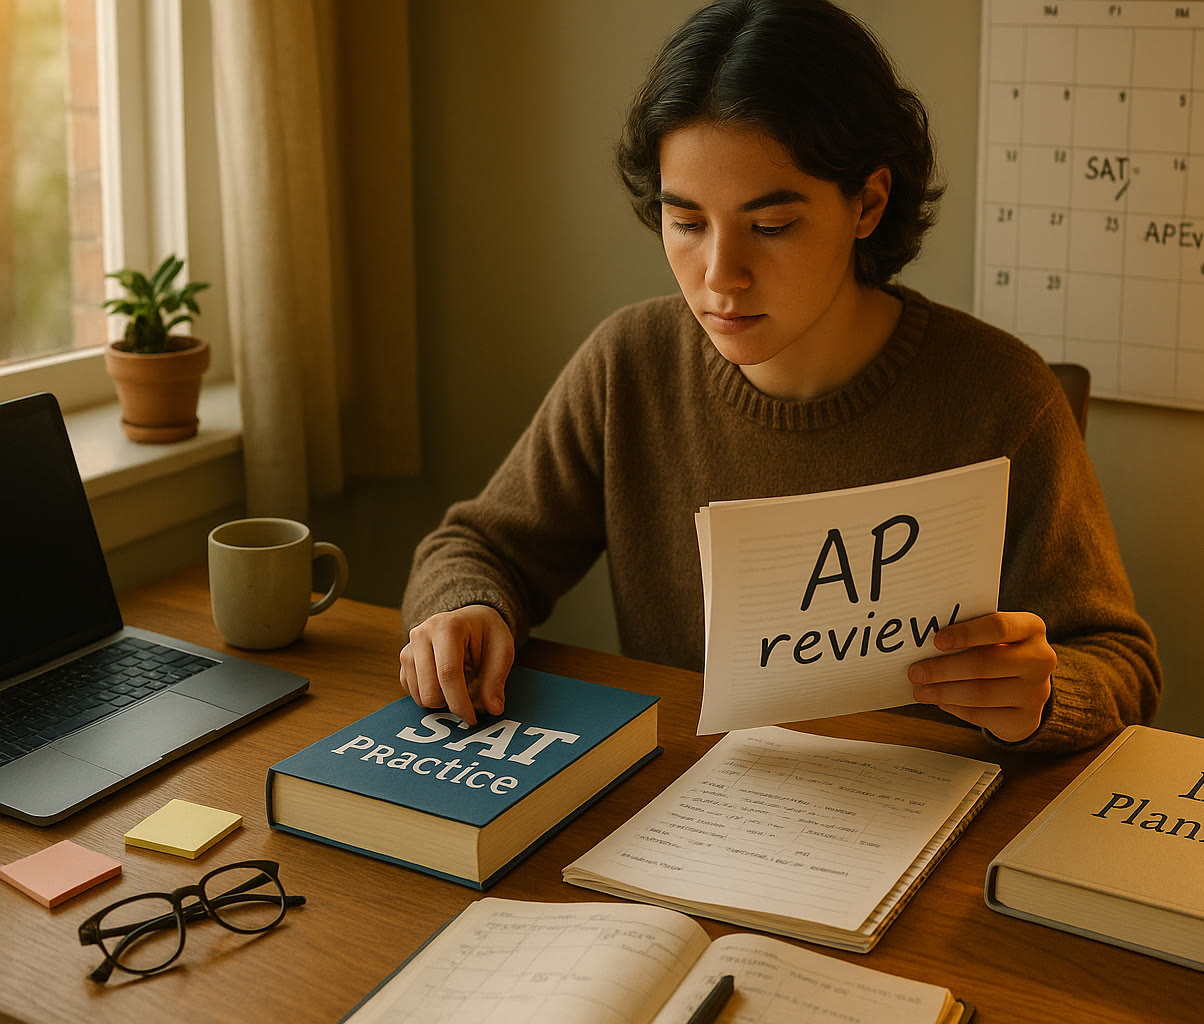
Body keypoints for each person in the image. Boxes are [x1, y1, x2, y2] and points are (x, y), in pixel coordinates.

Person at [399, 0, 1160, 750]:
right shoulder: (630, 364)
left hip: (926, 824)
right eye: (687, 222)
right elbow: (477, 547)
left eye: (771, 227)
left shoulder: (1002, 398)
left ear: (867, 201)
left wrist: (1047, 694)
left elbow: (1121, 664)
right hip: (683, 811)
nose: (720, 276)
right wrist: (467, 611)